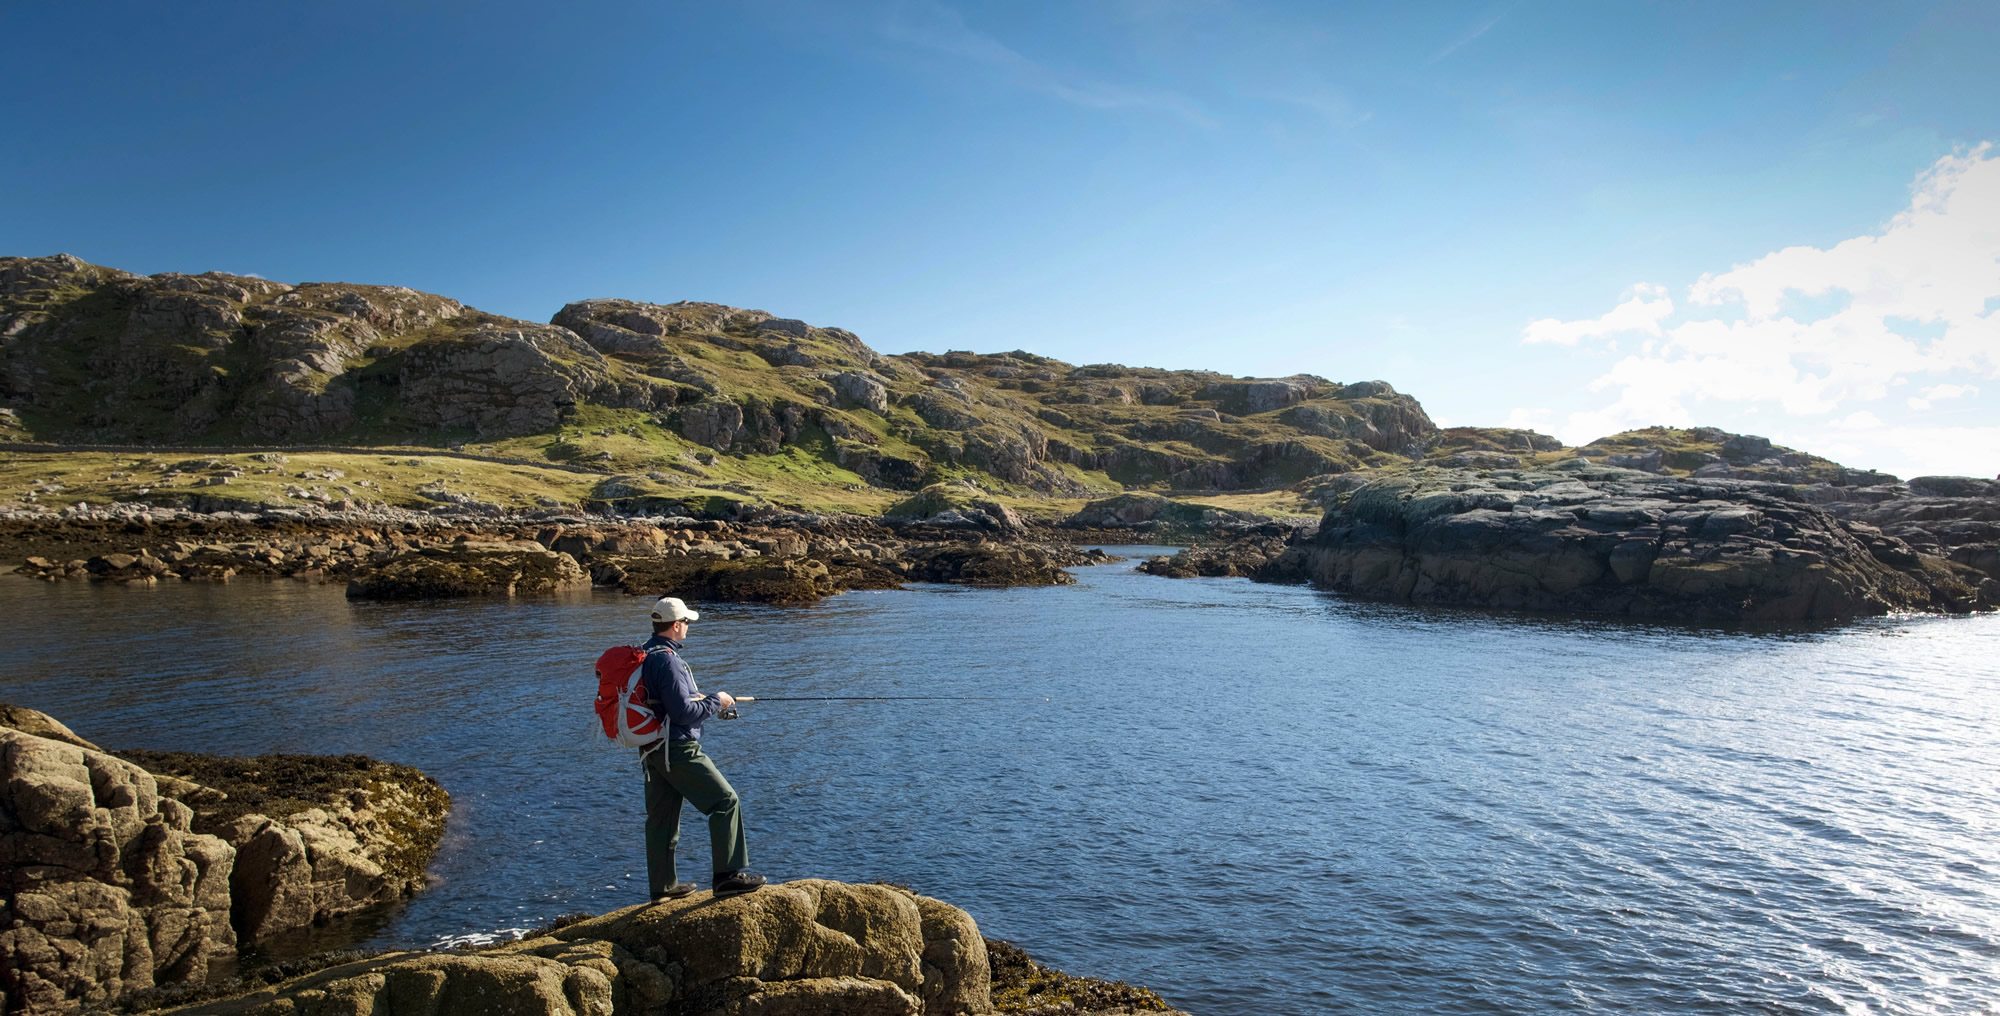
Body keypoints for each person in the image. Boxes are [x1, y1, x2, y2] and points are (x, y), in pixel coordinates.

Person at [638, 595, 766, 899]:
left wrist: (708, 701)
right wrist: (716, 701)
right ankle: (727, 877)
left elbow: (666, 702)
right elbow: (682, 712)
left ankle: (663, 888)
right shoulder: (668, 660)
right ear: (676, 625)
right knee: (725, 801)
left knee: (661, 820)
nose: (687, 626)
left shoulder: (646, 653)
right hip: (678, 749)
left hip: (652, 749)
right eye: (685, 621)